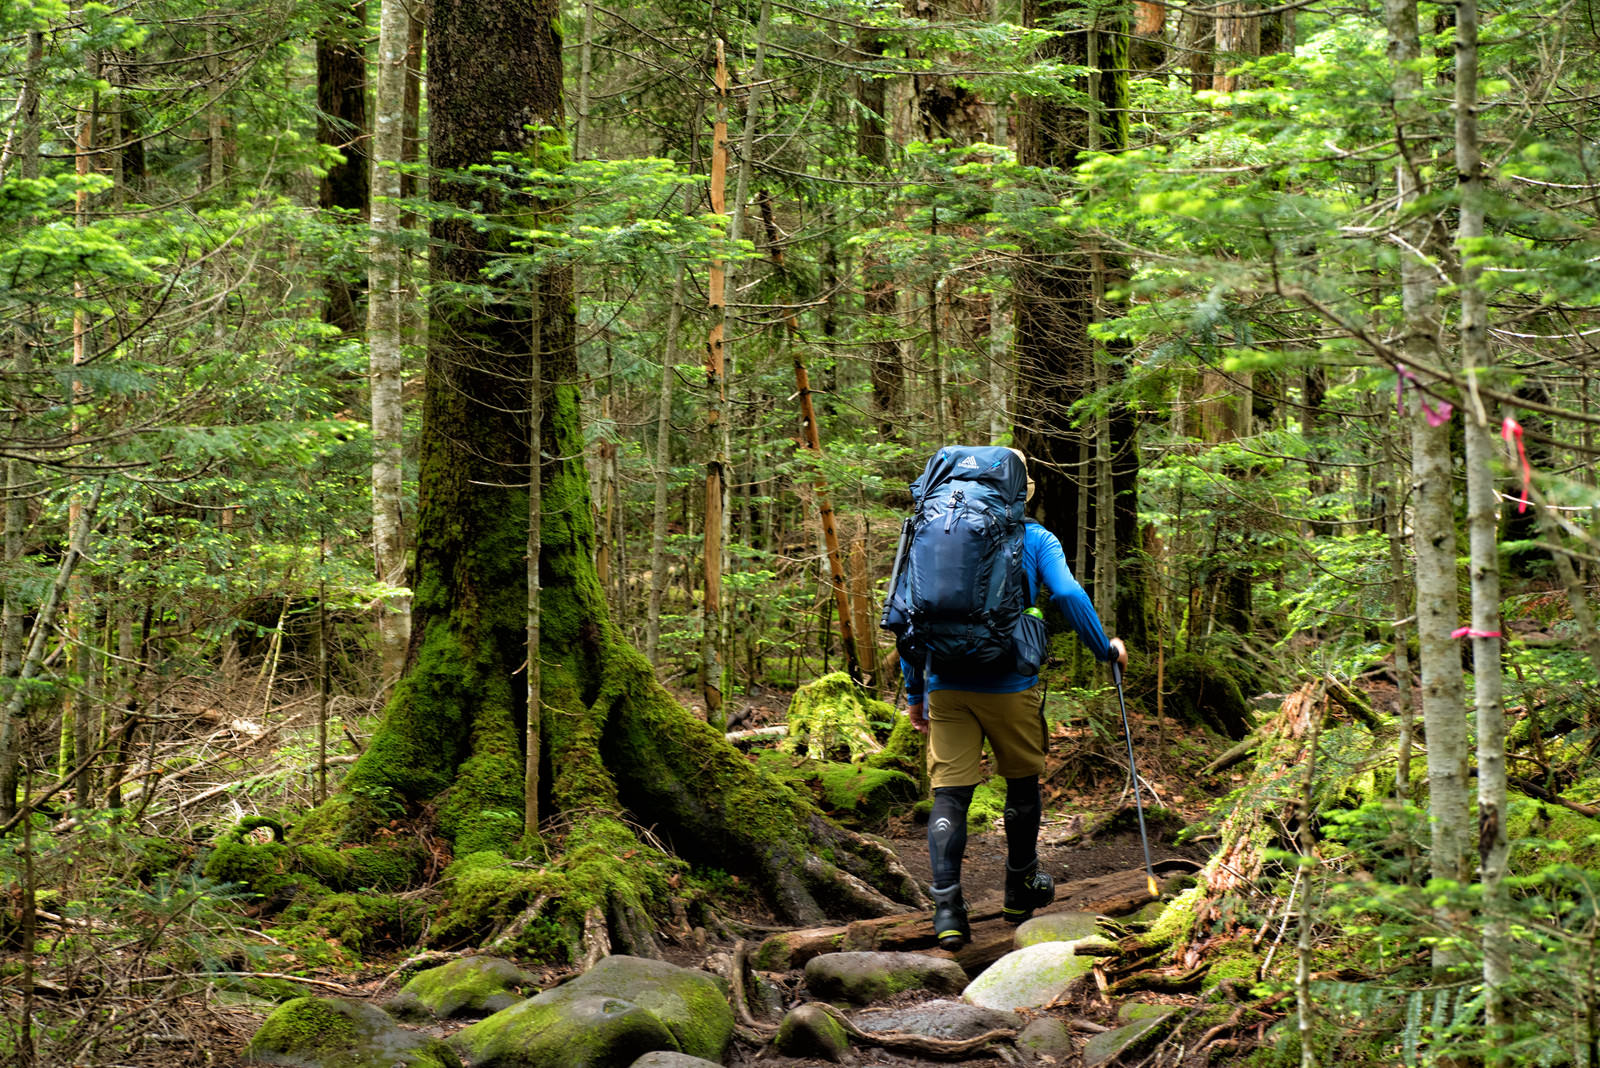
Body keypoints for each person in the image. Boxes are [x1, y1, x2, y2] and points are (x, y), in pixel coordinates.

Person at [902, 451, 1128, 951]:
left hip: (945, 682)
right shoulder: (1034, 537)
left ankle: (947, 911)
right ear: (1019, 492)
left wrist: (914, 691)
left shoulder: (926, 530)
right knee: (1021, 787)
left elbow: (906, 613)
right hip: (1010, 683)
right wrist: (1102, 647)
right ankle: (1018, 890)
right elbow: (1068, 595)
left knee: (950, 795)